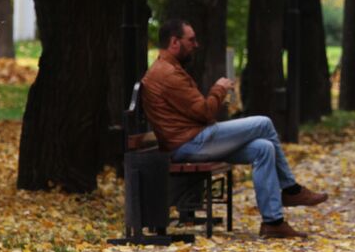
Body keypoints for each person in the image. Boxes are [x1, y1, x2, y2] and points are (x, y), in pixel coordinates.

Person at [140, 19, 328, 240]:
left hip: (192, 138)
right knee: (263, 123)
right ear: (174, 42)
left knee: (263, 148)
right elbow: (205, 112)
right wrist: (219, 89)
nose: (196, 44)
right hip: (189, 143)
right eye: (190, 40)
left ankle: (273, 222)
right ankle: (291, 189)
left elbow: (196, 113)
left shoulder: (169, 69)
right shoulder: (167, 73)